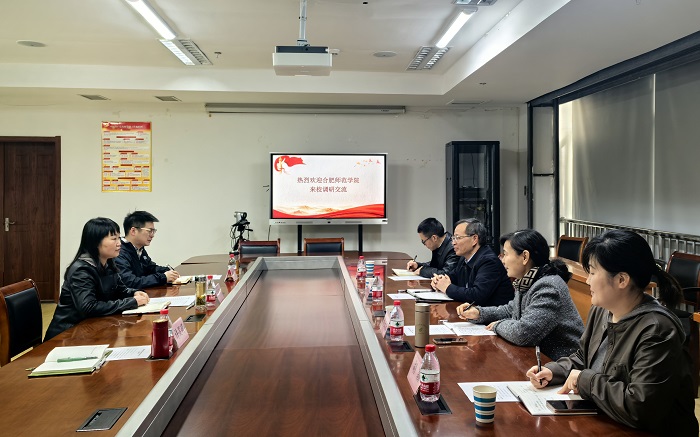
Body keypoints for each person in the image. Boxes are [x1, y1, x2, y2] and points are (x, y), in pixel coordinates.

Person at [526, 230, 698, 436]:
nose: (587, 281)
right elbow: (584, 357)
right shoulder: (602, 310)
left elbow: (640, 407)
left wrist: (585, 380)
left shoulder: (657, 329)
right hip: (608, 422)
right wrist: (555, 372)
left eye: (592, 273)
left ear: (622, 280)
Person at [457, 229, 583, 360]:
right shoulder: (527, 280)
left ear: (525, 257)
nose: (502, 260)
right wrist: (479, 313)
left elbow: (523, 333)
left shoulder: (548, 286)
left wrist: (497, 326)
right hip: (539, 359)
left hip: (562, 364)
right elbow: (511, 310)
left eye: (506, 254)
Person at [45, 217, 149, 340]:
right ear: (96, 242)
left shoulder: (108, 263)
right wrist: (132, 302)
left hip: (91, 329)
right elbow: (88, 307)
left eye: (119, 238)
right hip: (67, 335)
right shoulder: (81, 270)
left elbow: (120, 290)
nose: (119, 243)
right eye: (113, 239)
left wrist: (134, 293)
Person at [431, 219, 513, 307]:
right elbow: (453, 276)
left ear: (474, 239)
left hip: (493, 314)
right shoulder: (464, 258)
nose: (453, 243)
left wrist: (447, 287)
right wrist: (438, 280)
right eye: (453, 238)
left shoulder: (489, 261)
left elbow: (477, 295)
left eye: (458, 238)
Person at [115, 210, 179, 288]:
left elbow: (150, 268)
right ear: (133, 231)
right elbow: (129, 282)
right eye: (149, 231)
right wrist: (163, 277)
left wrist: (167, 271)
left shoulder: (139, 249)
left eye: (153, 231)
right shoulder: (119, 252)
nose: (152, 235)